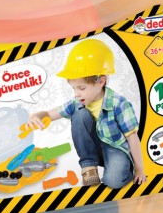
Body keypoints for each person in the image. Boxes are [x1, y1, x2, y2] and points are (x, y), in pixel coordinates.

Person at [27, 39, 146, 188]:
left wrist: (140, 169)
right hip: (93, 148)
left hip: (115, 149)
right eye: (74, 88)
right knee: (79, 114)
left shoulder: (119, 104)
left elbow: (132, 138)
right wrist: (37, 115)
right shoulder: (77, 102)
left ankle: (121, 168)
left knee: (113, 182)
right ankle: (89, 166)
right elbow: (50, 114)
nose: (76, 94)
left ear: (101, 81)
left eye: (81, 88)